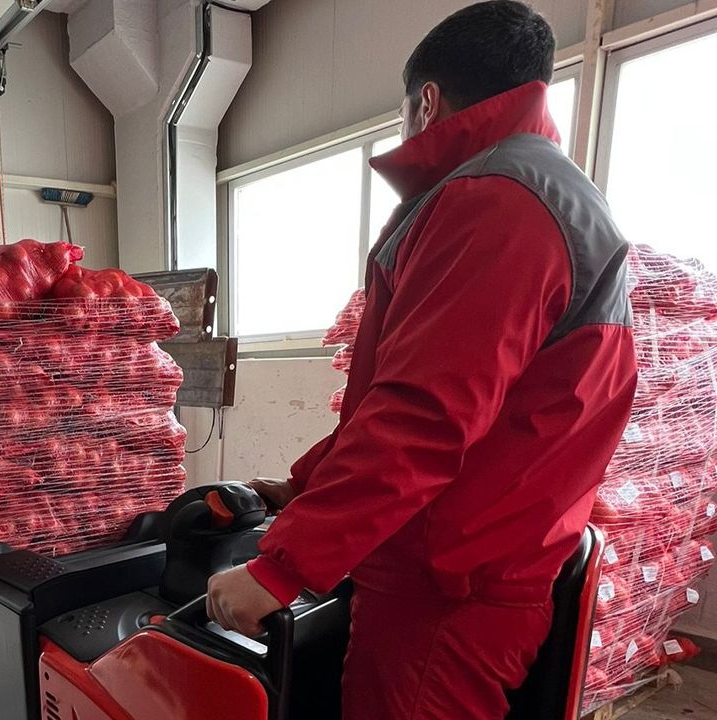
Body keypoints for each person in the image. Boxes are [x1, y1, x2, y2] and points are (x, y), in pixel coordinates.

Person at [204, 2, 638, 718]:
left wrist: (280, 569)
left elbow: (426, 415)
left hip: (449, 587)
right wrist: (301, 487)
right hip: (473, 559)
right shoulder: (543, 188)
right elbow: (412, 395)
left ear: (427, 102)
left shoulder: (495, 200)